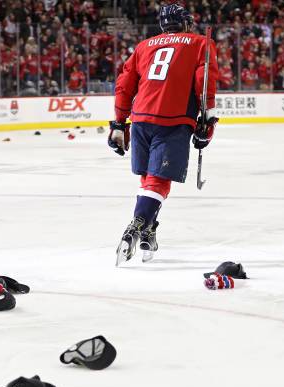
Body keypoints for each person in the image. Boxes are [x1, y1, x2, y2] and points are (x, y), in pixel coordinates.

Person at [108, 4, 218, 265]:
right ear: (186, 23)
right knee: (158, 181)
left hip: (141, 118)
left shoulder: (144, 45)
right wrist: (208, 120)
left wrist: (118, 123)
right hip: (174, 119)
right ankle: (136, 226)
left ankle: (149, 231)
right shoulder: (200, 43)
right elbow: (205, 82)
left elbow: (124, 84)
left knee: (149, 179)